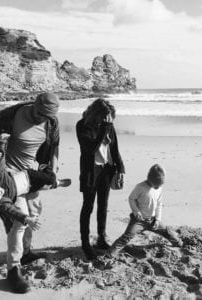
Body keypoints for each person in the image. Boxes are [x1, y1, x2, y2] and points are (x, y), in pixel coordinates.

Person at [0, 92, 60, 293]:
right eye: (41, 113)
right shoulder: (11, 115)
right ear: (35, 105)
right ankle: (13, 269)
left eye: (47, 115)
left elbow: (54, 147)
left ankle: (26, 252)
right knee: (20, 220)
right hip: (7, 176)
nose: (43, 118)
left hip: (30, 177)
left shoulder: (51, 122)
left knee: (34, 213)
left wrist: (53, 169)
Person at [0, 133, 71, 235]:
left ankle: (44, 167)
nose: (0, 193)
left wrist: (0, 142)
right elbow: (12, 210)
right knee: (44, 186)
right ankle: (57, 184)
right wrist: (27, 219)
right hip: (28, 189)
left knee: (49, 179)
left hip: (29, 176)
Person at [76, 98, 125, 260]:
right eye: (105, 117)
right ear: (96, 115)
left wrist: (121, 169)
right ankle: (85, 243)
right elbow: (90, 149)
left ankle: (101, 238)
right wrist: (104, 128)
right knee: (88, 206)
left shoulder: (109, 126)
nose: (108, 120)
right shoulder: (82, 125)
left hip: (106, 169)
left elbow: (115, 148)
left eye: (110, 118)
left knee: (103, 205)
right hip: (91, 171)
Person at [109, 164, 183, 256]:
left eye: (159, 185)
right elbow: (131, 198)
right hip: (138, 221)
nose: (157, 187)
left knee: (167, 232)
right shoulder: (140, 187)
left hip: (152, 220)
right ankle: (110, 254)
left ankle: (180, 243)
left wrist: (157, 219)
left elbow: (159, 204)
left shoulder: (159, 188)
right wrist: (136, 211)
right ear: (150, 179)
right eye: (155, 185)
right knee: (126, 237)